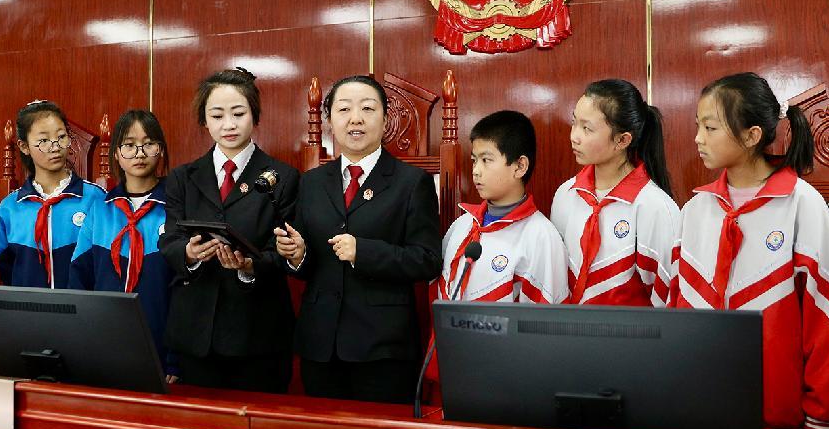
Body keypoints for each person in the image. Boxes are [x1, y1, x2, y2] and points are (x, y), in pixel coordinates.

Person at [670, 72, 829, 429]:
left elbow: (828, 319)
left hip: (775, 425)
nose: (698, 138)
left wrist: (821, 422)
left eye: (710, 128)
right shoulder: (694, 209)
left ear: (752, 136)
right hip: (698, 418)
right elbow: (675, 310)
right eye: (698, 126)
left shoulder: (801, 205)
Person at [274, 74, 441, 403]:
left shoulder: (411, 182)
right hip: (320, 345)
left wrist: (363, 252)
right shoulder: (311, 183)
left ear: (385, 118)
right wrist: (296, 255)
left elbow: (427, 260)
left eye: (367, 108)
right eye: (344, 109)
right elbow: (303, 266)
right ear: (330, 120)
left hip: (382, 348)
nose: (355, 119)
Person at [159, 69, 298, 392]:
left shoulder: (283, 176)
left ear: (255, 115)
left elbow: (287, 252)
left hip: (258, 334)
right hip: (196, 334)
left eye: (238, 113)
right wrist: (189, 254)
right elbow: (170, 241)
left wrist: (250, 267)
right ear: (204, 121)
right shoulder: (183, 177)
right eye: (217, 115)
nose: (229, 125)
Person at [550, 80, 679, 307]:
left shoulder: (655, 206)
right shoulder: (566, 194)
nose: (574, 136)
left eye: (587, 128)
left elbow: (667, 298)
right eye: (574, 122)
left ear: (622, 140)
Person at [69, 109, 174, 371]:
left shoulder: (177, 209)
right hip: (104, 348)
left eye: (148, 144)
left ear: (160, 149)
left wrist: (176, 360)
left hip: (162, 349)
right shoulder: (100, 210)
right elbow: (79, 283)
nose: (139, 153)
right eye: (129, 145)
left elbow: (189, 293)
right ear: (116, 153)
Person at [437, 110, 568, 304]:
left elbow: (544, 315)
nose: (476, 171)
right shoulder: (462, 225)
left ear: (520, 167)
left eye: (486, 160)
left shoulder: (541, 236)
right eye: (474, 160)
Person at [0, 100, 105, 288]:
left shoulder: (95, 197)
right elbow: (6, 268)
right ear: (24, 146)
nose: (55, 147)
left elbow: (104, 263)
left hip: (82, 306)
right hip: (27, 306)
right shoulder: (10, 207)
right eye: (44, 141)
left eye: (61, 137)